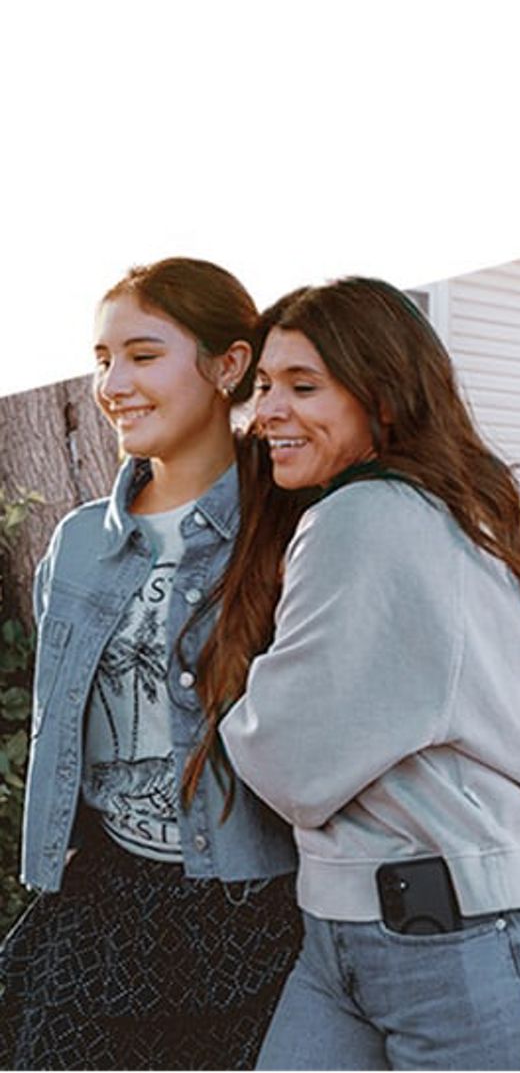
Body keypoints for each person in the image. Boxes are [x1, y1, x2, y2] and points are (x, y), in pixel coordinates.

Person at [199, 276, 520, 1071]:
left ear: (382, 399)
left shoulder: (369, 518)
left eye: (303, 386)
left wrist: (226, 706)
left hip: (478, 957)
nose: (267, 415)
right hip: (362, 940)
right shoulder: (431, 509)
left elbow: (291, 763)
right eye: (263, 388)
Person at [0, 258, 302, 1070]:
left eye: (142, 354)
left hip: (254, 909)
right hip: (105, 904)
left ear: (228, 364)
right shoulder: (76, 545)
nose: (113, 384)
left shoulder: (291, 532)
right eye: (102, 360)